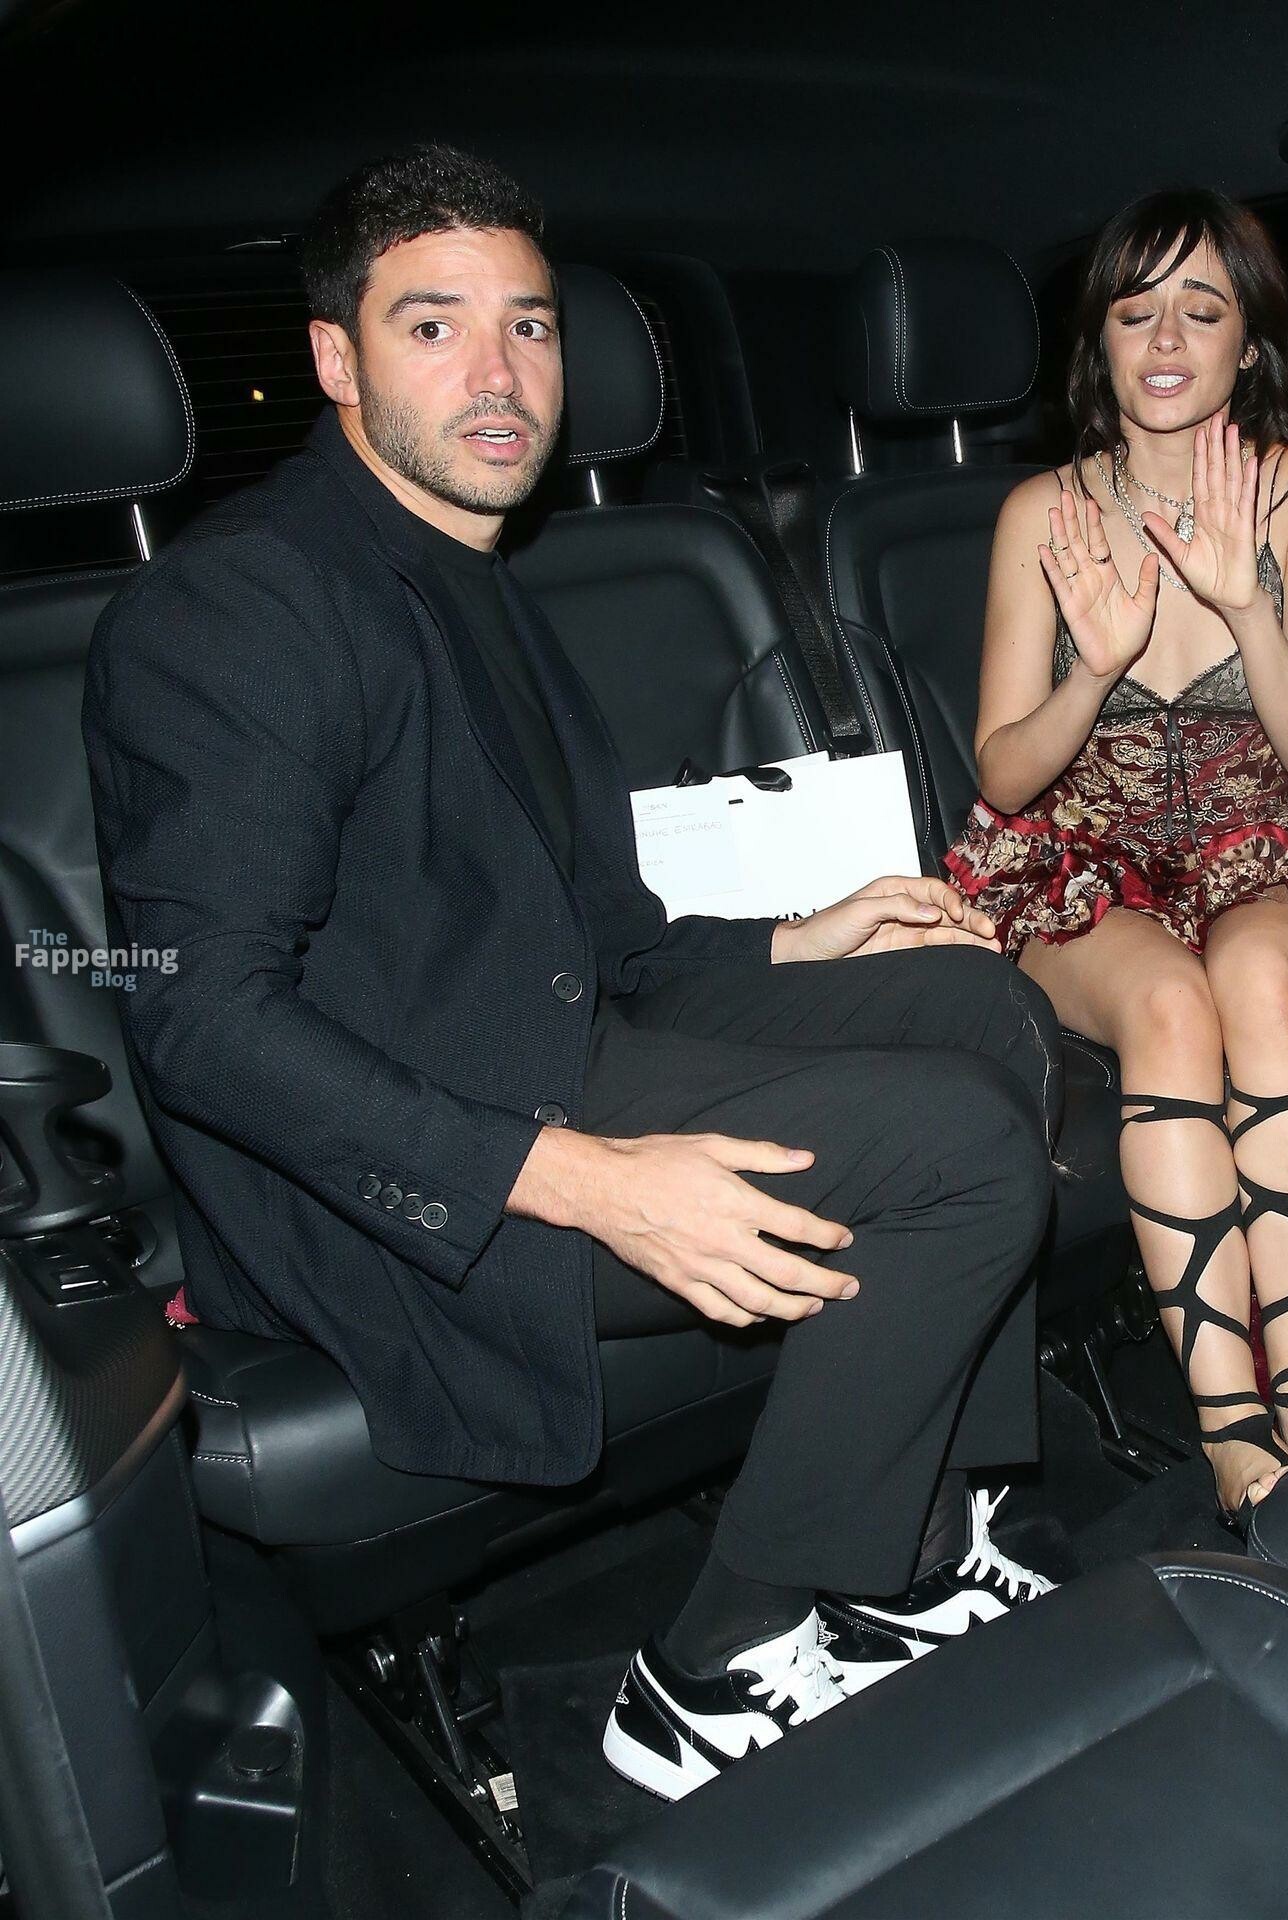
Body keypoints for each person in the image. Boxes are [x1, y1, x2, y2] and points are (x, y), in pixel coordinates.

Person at [81, 143, 1061, 1802]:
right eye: (434, 326)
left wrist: (800, 935)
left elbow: (581, 937)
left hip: (539, 1049)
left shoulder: (476, 573)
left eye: (528, 326)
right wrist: (590, 1182)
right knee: (960, 1152)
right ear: (335, 360)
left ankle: (904, 1553)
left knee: (982, 1002)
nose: (498, 374)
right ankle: (713, 1665)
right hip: (393, 1182)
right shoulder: (241, 608)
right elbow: (200, 1020)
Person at [944, 189, 1288, 1534]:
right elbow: (1005, 774)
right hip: (1082, 858)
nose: (1166, 341)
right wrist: (1093, 666)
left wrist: (1245, 604)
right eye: (1135, 311)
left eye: (1201, 311)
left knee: (1260, 984)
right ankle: (1230, 1429)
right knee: (1170, 1007)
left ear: (1247, 342)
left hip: (1264, 845)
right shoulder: (1041, 513)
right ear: (1099, 344)